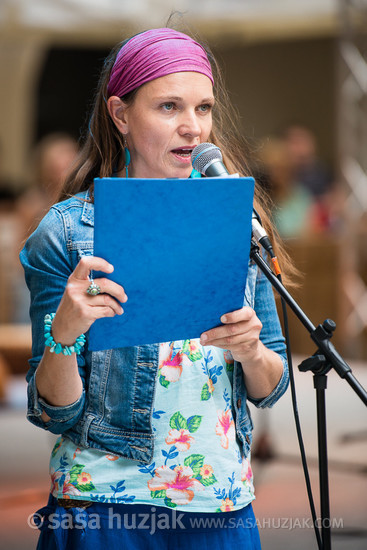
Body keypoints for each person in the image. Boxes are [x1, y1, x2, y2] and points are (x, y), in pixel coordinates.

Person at [20, 28, 290, 549]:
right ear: (121, 115)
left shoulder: (236, 218)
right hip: (104, 502)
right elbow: (52, 411)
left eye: (204, 108)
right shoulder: (67, 232)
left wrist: (251, 350)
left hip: (221, 499)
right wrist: (64, 335)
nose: (193, 127)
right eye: (169, 107)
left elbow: (273, 386)